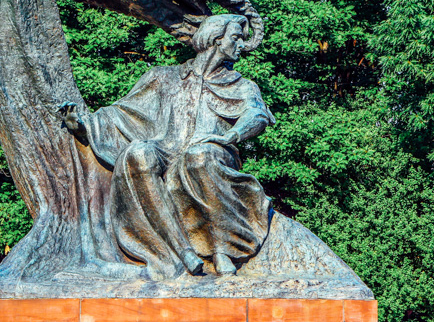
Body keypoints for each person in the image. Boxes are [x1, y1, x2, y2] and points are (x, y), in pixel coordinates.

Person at [60, 14, 274, 279]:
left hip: (214, 150)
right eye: (236, 38)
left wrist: (231, 135)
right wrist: (83, 125)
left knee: (198, 156)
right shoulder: (164, 77)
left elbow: (257, 115)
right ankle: (181, 250)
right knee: (138, 155)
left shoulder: (242, 85)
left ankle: (221, 249)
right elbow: (122, 112)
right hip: (169, 146)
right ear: (216, 39)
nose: (241, 44)